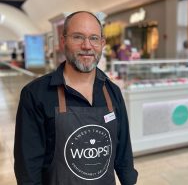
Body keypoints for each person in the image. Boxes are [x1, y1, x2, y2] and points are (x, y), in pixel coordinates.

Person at [14, 11, 138, 185]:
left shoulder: (112, 92)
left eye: (94, 38)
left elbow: (123, 153)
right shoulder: (35, 94)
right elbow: (27, 168)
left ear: (102, 43)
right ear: (63, 41)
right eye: (78, 37)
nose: (87, 46)